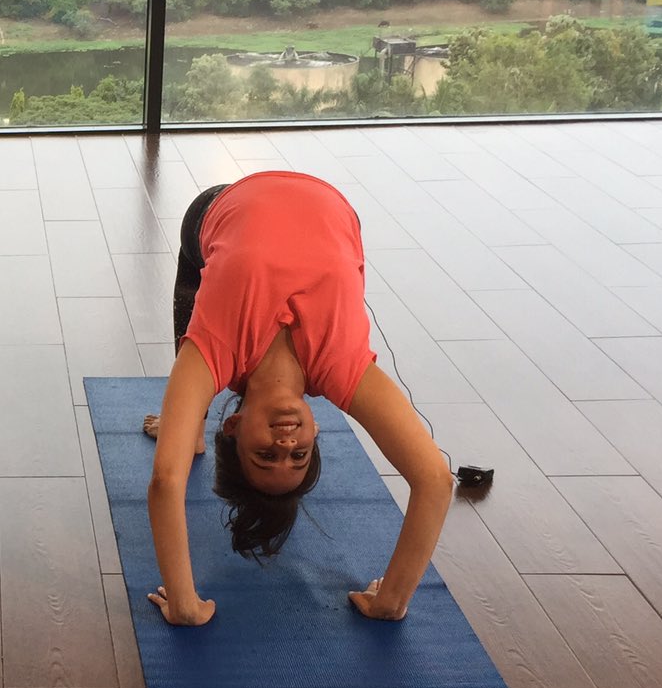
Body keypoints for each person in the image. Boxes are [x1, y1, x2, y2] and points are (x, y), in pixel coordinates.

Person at [142, 171, 453, 627]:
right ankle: (188, 428)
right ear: (315, 429)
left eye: (266, 455)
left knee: (194, 287)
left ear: (233, 426)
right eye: (299, 454)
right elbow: (436, 481)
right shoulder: (342, 367)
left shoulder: (216, 351)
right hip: (329, 200)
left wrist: (186, 605)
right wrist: (390, 600)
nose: (285, 444)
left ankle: (191, 431)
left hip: (224, 203)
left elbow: (166, 480)